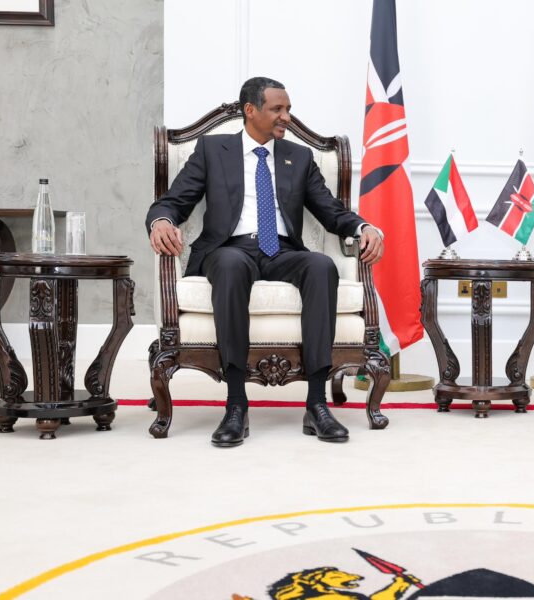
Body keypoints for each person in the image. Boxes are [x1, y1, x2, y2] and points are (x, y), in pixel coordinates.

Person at [146, 76, 384, 448]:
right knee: (229, 266)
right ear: (250, 110)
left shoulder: (298, 157)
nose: (286, 117)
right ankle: (236, 404)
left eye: (288, 109)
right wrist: (161, 220)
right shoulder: (213, 150)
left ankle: (316, 404)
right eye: (277, 109)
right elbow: (174, 200)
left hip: (283, 251)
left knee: (322, 267)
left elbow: (330, 210)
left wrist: (363, 226)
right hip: (231, 248)